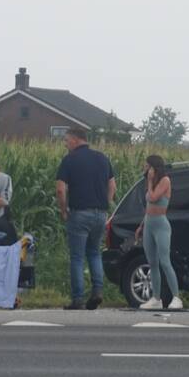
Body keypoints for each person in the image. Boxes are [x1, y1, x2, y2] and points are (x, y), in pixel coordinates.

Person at [56, 128, 115, 311]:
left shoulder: (69, 160)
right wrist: (106, 203)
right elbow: (112, 184)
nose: (65, 144)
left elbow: (60, 189)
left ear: (75, 139)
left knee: (77, 257)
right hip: (100, 213)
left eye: (66, 140)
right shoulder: (102, 158)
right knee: (95, 253)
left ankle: (78, 299)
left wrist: (63, 209)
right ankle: (97, 291)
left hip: (80, 213)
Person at [134, 155, 182, 310]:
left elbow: (153, 197)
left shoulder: (165, 181)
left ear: (154, 167)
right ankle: (156, 298)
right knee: (152, 262)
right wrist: (141, 226)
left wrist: (149, 181)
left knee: (164, 261)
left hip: (161, 224)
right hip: (149, 223)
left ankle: (176, 297)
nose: (145, 168)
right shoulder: (151, 183)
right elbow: (148, 207)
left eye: (148, 166)